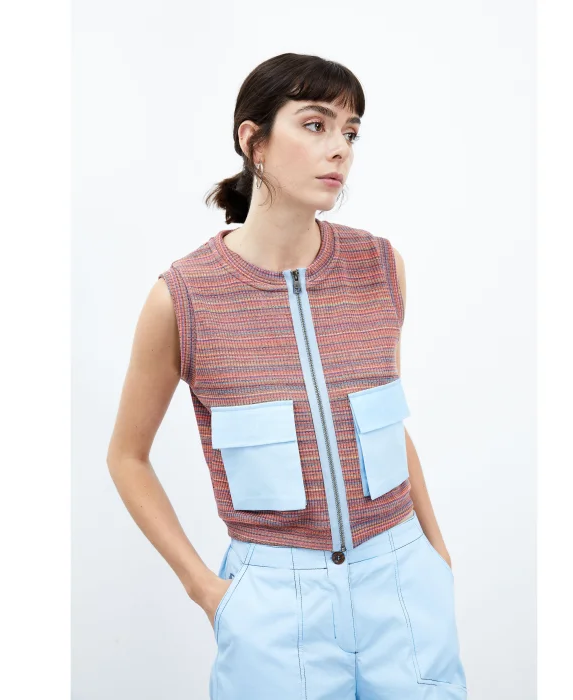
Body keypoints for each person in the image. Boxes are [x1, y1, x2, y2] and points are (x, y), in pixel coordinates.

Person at [106, 52, 468, 699]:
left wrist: (435, 558)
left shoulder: (380, 267)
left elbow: (385, 426)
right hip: (274, 607)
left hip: (403, 586)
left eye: (350, 132)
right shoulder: (184, 298)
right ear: (255, 141)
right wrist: (207, 591)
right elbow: (127, 457)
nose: (340, 149)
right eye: (315, 125)